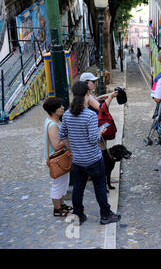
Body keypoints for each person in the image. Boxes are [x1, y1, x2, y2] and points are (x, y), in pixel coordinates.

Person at [59, 81, 121, 225]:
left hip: (78, 161)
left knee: (78, 188)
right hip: (93, 159)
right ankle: (105, 215)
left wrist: (72, 150)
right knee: (99, 187)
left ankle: (78, 215)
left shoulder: (67, 114)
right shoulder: (90, 115)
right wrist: (101, 131)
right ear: (87, 94)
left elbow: (62, 135)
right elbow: (94, 140)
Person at [43, 97, 72, 217]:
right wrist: (69, 137)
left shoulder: (53, 120)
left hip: (61, 158)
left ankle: (61, 204)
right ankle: (57, 209)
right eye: (60, 106)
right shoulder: (53, 125)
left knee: (63, 182)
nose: (63, 108)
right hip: (57, 159)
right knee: (58, 183)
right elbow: (56, 145)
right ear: (54, 110)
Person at [79, 72, 118, 150]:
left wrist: (98, 98)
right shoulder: (88, 97)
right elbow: (102, 109)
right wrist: (111, 97)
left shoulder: (82, 95)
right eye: (93, 82)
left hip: (89, 127)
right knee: (102, 148)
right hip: (95, 127)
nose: (95, 83)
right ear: (86, 83)